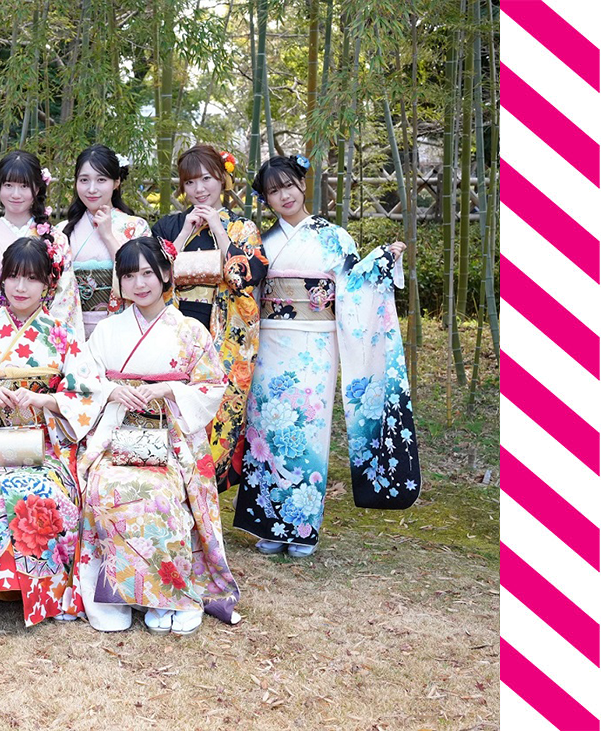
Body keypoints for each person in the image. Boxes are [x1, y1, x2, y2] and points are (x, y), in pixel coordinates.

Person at [234, 154, 420, 558]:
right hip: (269, 341)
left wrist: (382, 262)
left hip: (316, 345)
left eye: (289, 185)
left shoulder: (335, 238)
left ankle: (302, 527)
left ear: (302, 184)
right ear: (265, 199)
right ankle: (269, 524)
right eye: (273, 191)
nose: (284, 195)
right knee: (265, 430)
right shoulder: (261, 243)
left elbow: (354, 288)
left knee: (308, 429)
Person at [76, 238, 239, 635]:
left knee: (161, 495)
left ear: (166, 274)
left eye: (148, 273)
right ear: (120, 282)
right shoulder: (107, 331)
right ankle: (113, 595)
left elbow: (212, 384)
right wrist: (111, 391)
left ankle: (168, 595)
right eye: (129, 275)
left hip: (172, 437)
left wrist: (169, 390)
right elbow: (80, 379)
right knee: (105, 489)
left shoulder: (190, 331)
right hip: (115, 434)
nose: (139, 283)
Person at [0, 238, 109, 626]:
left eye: (31, 278)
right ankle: (2, 581)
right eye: (13, 277)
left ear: (48, 283)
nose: (21, 287)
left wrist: (45, 400)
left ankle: (47, 586)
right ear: (2, 282)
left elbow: (87, 393)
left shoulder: (62, 334)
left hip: (47, 443)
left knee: (45, 490)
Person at [149, 144, 268, 493]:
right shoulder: (170, 225)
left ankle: (206, 492)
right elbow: (151, 276)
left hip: (223, 334)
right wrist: (184, 234)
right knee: (173, 410)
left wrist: (218, 227)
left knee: (216, 414)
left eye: (206, 179)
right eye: (190, 182)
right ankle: (172, 493)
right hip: (175, 332)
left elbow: (247, 277)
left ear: (222, 179)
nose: (199, 189)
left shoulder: (242, 227)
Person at [0, 150, 81, 336]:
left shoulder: (57, 240)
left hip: (47, 337)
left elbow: (65, 299)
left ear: (37, 189)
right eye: (8, 185)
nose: (15, 194)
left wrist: (48, 337)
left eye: (24, 186)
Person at [58, 144, 152, 338]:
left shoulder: (136, 227)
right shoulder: (61, 231)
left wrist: (108, 235)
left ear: (116, 182)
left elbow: (144, 279)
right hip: (72, 329)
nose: (91, 189)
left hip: (120, 328)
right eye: (84, 180)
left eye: (101, 180)